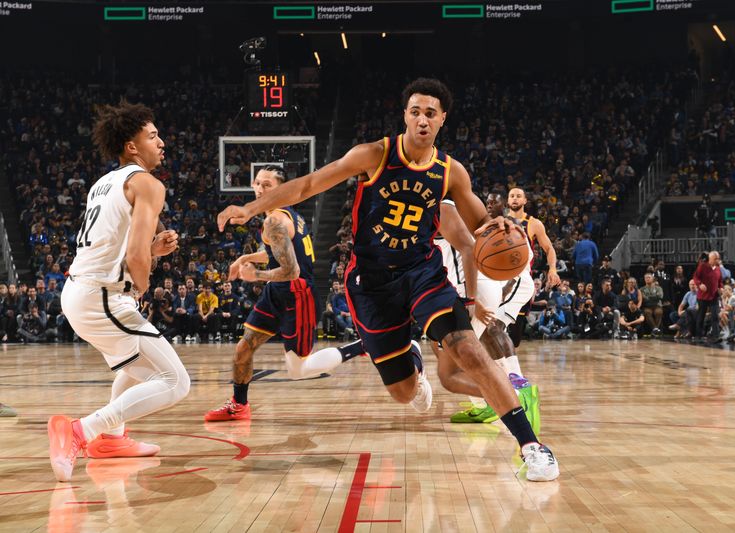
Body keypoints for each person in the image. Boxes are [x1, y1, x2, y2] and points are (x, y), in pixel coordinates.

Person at [217, 78, 559, 481]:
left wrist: (494, 225)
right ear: (405, 116)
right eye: (415, 111)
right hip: (371, 283)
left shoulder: (451, 171)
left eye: (430, 113)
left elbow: (479, 222)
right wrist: (251, 206)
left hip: (422, 272)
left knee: (468, 349)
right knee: (402, 392)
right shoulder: (375, 154)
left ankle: (532, 446)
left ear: (442, 119)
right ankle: (413, 355)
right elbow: (308, 184)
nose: (422, 119)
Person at [50, 101, 190, 482]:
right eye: (153, 135)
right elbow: (132, 255)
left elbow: (123, 246)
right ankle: (81, 431)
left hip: (82, 290)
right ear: (132, 146)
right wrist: (142, 287)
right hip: (101, 296)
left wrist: (152, 251)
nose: (161, 142)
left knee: (133, 364)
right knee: (176, 382)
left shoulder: (104, 183)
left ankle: (112, 439)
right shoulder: (147, 183)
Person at [205, 167, 362, 422]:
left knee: (298, 369)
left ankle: (362, 346)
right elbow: (275, 254)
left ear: (281, 189)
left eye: (267, 185)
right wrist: (245, 257)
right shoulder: (283, 216)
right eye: (257, 183)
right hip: (276, 292)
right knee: (244, 347)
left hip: (298, 293)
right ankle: (239, 404)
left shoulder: (274, 221)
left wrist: (254, 275)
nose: (259, 189)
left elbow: (291, 270)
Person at [432, 195, 541, 433]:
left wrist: (473, 300)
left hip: (473, 289)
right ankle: (493, 399)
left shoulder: (441, 208)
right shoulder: (466, 211)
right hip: (474, 288)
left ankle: (513, 394)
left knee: (453, 368)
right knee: (458, 352)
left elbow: (469, 250)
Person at [505, 188, 560, 347]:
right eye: (512, 196)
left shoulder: (533, 223)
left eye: (518, 196)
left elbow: (549, 248)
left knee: (515, 336)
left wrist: (553, 269)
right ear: (508, 201)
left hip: (521, 282)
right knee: (494, 328)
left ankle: (509, 362)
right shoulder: (499, 220)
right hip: (499, 280)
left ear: (524, 201)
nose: (515, 199)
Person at [692, 251, 723, 342]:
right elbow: (695, 277)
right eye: (715, 258)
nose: (717, 260)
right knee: (701, 317)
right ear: (710, 258)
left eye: (718, 258)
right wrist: (700, 284)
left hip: (714, 296)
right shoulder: (702, 266)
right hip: (703, 297)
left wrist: (721, 288)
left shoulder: (718, 269)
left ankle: (715, 336)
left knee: (715, 316)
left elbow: (720, 281)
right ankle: (698, 336)